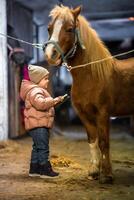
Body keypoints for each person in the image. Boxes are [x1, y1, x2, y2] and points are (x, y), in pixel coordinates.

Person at [20, 64, 64, 178]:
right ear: (36, 80)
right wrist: (53, 100)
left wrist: (55, 101)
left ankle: (34, 169)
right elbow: (41, 104)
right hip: (39, 125)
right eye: (45, 79)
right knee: (43, 147)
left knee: (37, 147)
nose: (47, 81)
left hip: (36, 124)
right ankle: (45, 170)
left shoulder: (35, 90)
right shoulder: (35, 91)